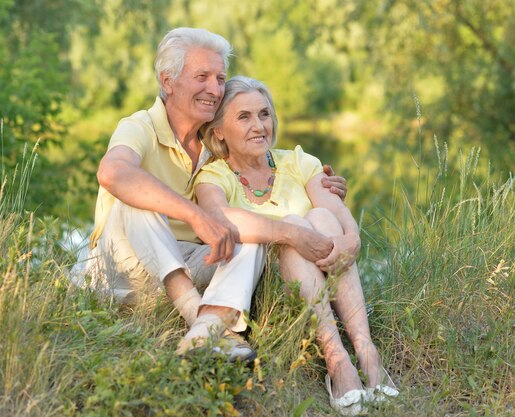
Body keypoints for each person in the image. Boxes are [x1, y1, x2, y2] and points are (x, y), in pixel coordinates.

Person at [79, 27, 347, 362]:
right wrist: (194, 215)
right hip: (122, 269)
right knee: (133, 196)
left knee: (245, 234)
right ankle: (196, 315)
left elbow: (264, 188)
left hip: (192, 267)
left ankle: (206, 332)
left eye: (220, 78)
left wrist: (323, 191)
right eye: (202, 76)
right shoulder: (139, 127)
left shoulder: (215, 143)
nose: (215, 89)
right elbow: (112, 172)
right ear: (167, 81)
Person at [194, 76, 398, 415]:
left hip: (323, 271)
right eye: (243, 117)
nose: (259, 125)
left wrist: (352, 238)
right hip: (269, 290)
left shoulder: (299, 161)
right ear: (218, 131)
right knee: (294, 224)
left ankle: (367, 352)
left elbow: (333, 207)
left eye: (264, 114)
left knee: (320, 216)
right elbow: (218, 217)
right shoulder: (213, 177)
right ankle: (337, 359)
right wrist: (290, 233)